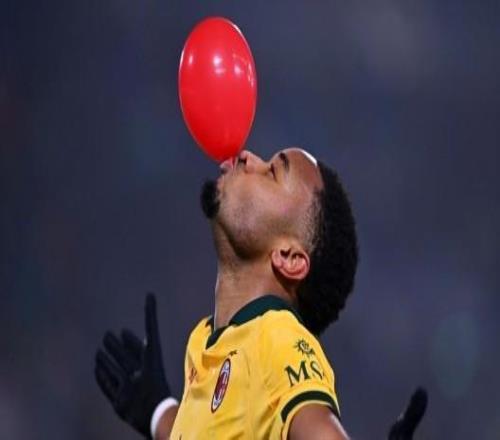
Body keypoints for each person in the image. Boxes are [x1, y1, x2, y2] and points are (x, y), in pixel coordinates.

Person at [94, 148, 427, 439]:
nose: (247, 157)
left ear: (289, 258)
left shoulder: (278, 339)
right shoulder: (205, 341)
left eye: (273, 172)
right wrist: (159, 413)